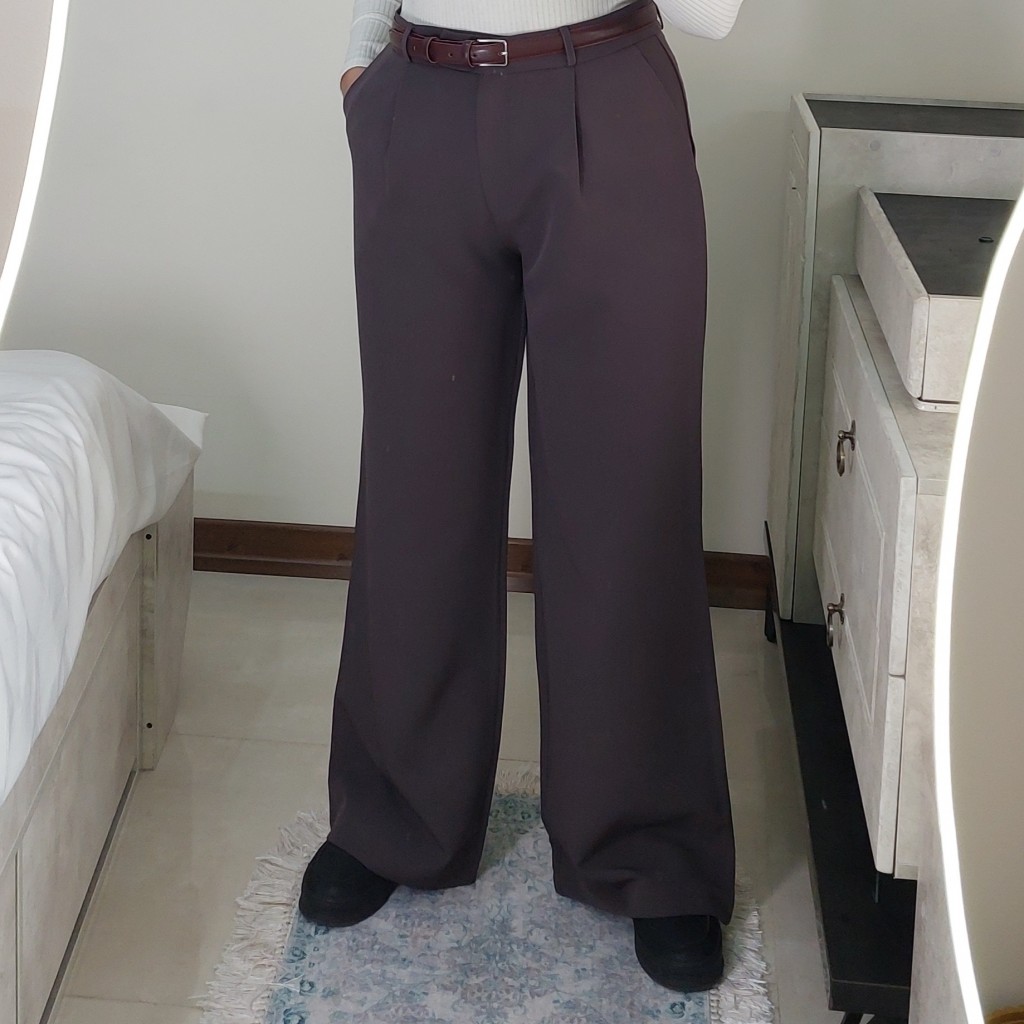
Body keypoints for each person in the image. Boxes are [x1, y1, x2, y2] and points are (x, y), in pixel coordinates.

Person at [300, 0, 746, 994]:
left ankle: (649, 843)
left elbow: (716, 15)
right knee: (417, 480)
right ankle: (394, 811)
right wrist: (361, 61)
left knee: (629, 486)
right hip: (421, 98)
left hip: (607, 96)